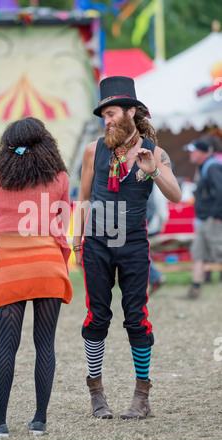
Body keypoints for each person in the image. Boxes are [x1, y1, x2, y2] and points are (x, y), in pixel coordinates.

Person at [72, 76, 181, 420]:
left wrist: (153, 172)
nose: (106, 120)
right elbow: (83, 198)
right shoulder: (93, 150)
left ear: (132, 112)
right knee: (97, 317)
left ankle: (141, 397)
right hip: (96, 244)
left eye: (112, 113)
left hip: (134, 244)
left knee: (136, 319)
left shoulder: (155, 152)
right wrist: (76, 242)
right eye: (103, 114)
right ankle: (97, 394)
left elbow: (176, 195)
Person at [0, 117, 73, 437]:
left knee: (7, 344)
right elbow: (64, 220)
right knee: (45, 343)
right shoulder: (59, 178)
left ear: (8, 143)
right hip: (47, 265)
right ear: (46, 142)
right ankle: (39, 421)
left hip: (11, 268)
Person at [181, 136, 222, 299]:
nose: (190, 155)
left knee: (219, 252)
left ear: (202, 152)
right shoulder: (205, 166)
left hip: (212, 220)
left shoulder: (212, 167)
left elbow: (221, 191)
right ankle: (195, 289)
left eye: (193, 151)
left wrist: (217, 215)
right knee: (198, 253)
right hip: (204, 220)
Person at [147, 184, 169, 295]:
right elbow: (164, 213)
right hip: (152, 224)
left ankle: (155, 276)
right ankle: (155, 277)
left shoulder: (155, 185)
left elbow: (161, 210)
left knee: (135, 250)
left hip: (148, 224)